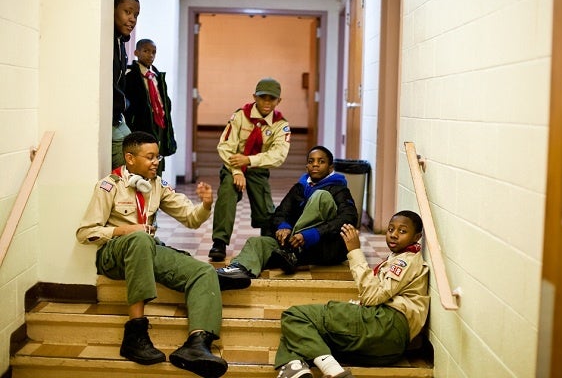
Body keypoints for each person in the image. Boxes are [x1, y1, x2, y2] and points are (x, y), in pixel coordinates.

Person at [76, 131, 247, 377]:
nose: (157, 161)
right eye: (150, 157)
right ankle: (135, 334)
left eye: (157, 156)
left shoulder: (157, 185)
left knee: (202, 271)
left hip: (148, 249)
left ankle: (197, 344)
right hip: (113, 255)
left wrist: (206, 204)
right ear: (130, 158)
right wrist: (126, 230)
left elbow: (190, 218)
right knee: (139, 238)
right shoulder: (108, 186)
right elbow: (85, 233)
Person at [273, 210, 430, 378]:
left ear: (417, 237)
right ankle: (294, 368)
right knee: (307, 336)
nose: (393, 235)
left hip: (385, 325)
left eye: (402, 231)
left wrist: (354, 251)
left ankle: (333, 371)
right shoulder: (401, 258)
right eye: (391, 229)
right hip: (389, 348)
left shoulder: (405, 260)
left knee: (295, 316)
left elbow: (372, 296)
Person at [215, 145, 357, 286]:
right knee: (256, 242)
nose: (315, 164)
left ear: (330, 168)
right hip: (293, 250)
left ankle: (292, 251)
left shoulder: (339, 189)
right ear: (306, 166)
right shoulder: (300, 187)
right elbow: (281, 212)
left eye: (321, 161)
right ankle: (238, 271)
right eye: (311, 161)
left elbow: (348, 217)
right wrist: (283, 226)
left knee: (321, 196)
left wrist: (310, 234)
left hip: (324, 247)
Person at [209, 77, 291, 261]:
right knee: (227, 194)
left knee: (265, 209)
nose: (267, 103)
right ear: (255, 97)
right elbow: (225, 146)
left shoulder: (280, 125)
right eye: (263, 98)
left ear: (279, 101)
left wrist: (249, 160)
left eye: (272, 99)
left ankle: (268, 243)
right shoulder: (240, 116)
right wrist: (237, 170)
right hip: (233, 165)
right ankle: (219, 242)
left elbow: (278, 155)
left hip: (257, 168)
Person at [124, 39, 177, 176]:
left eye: (153, 52)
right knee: (143, 160)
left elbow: (163, 99)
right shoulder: (130, 74)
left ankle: (156, 191)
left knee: (157, 159)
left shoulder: (156, 76)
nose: (150, 55)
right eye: (146, 51)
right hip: (141, 124)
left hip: (159, 122)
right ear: (136, 52)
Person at [112, 0, 140, 170]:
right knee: (128, 162)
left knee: (137, 153)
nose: (132, 19)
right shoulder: (105, 40)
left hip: (117, 116)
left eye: (136, 15)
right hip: (109, 116)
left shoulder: (120, 43)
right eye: (127, 12)